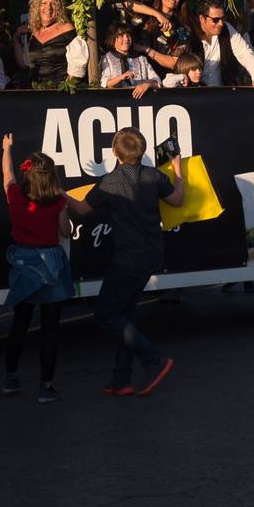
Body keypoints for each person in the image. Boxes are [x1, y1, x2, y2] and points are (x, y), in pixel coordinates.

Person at [66, 128, 186, 396]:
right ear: (141, 152)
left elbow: (82, 209)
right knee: (125, 316)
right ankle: (122, 379)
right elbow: (178, 200)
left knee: (106, 315)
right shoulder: (154, 175)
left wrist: (57, 193)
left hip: (128, 260)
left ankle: (153, 360)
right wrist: (178, 170)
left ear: (114, 152)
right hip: (152, 255)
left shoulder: (114, 181)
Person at [0, 134, 73, 404]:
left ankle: (10, 377)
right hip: (51, 265)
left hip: (23, 264)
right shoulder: (58, 202)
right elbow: (65, 231)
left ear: (28, 175)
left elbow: (7, 173)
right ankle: (46, 386)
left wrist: (7, 148)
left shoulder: (16, 196)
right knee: (50, 329)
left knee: (19, 324)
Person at [14, 0, 89, 86]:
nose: (48, 8)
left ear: (59, 7)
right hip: (37, 95)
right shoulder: (33, 33)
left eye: (53, 4)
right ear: (37, 7)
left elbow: (76, 73)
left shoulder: (66, 28)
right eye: (43, 3)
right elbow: (24, 64)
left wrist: (63, 92)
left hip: (61, 96)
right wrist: (16, 40)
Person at [192, 0, 254, 92]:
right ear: (202, 19)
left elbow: (244, 53)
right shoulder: (191, 34)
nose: (220, 23)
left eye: (222, 19)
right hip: (193, 93)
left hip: (221, 92)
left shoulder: (227, 28)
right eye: (215, 20)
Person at [135, 0, 195, 78]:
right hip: (137, 75)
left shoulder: (182, 29)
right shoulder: (147, 12)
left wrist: (146, 50)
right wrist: (157, 14)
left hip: (163, 79)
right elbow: (127, 3)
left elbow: (172, 63)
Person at [100, 23, 161, 97]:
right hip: (117, 100)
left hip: (141, 100)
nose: (126, 39)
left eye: (128, 35)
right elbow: (105, 84)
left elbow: (157, 81)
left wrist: (147, 84)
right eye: (121, 35)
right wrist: (122, 77)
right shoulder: (107, 58)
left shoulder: (141, 58)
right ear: (112, 39)